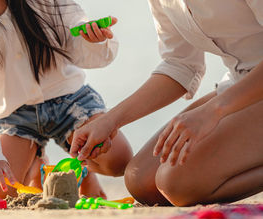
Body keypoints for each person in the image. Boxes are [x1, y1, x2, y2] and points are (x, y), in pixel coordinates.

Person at [70, 0, 263, 206]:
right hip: (238, 85)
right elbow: (180, 66)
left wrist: (213, 111)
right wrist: (110, 121)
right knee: (141, 181)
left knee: (176, 184)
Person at [0, 0, 133, 198]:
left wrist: (93, 39)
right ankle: (36, 165)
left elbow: (76, 38)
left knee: (119, 160)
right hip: (15, 114)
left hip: (69, 100)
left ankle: (82, 170)